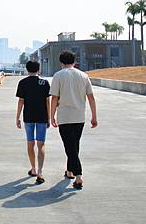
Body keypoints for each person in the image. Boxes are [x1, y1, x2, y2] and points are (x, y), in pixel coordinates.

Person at [50, 50, 98, 189]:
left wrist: (51, 115)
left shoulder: (58, 76)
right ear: (75, 61)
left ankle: (78, 177)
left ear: (61, 63)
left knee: (70, 147)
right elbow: (91, 97)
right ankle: (69, 171)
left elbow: (54, 98)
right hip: (79, 117)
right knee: (74, 145)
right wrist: (94, 116)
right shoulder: (84, 75)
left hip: (65, 117)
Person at [16, 60, 50, 184]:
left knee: (30, 143)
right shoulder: (44, 83)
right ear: (38, 69)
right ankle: (40, 173)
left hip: (28, 117)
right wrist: (49, 118)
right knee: (41, 144)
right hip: (42, 117)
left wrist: (17, 117)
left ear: (27, 69)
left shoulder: (23, 82)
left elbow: (21, 101)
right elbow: (47, 101)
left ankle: (33, 169)